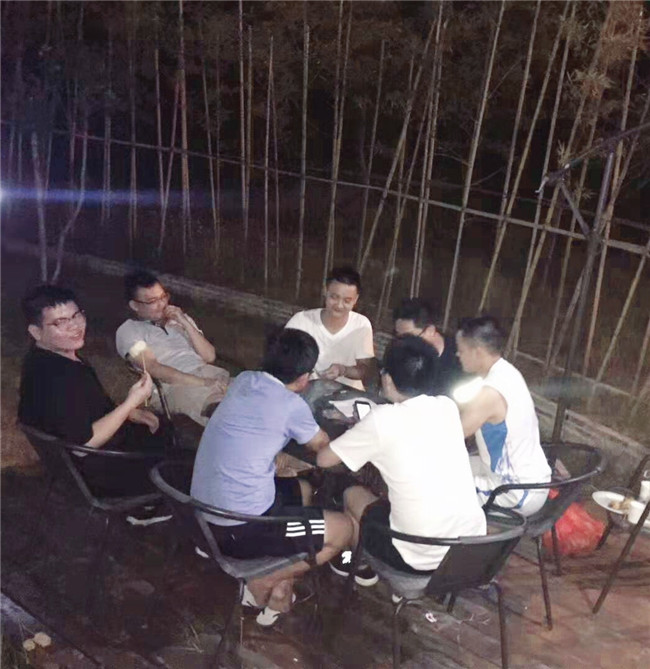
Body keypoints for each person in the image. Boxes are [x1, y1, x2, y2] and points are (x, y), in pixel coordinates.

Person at [191, 328, 354, 626]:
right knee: (344, 529)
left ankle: (282, 578)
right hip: (239, 529)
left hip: (203, 517)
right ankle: (263, 580)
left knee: (303, 489)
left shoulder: (244, 379)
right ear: (304, 378)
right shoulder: (292, 406)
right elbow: (322, 446)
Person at [315, 335, 486, 578]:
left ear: (386, 378)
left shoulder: (383, 419)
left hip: (418, 558)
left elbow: (324, 460)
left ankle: (355, 562)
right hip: (467, 552)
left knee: (351, 493)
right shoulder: (447, 407)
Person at [18, 285, 168, 499]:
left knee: (160, 426)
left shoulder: (41, 360)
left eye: (76, 315)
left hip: (80, 461)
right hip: (100, 470)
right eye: (60, 322)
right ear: (36, 332)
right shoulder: (61, 377)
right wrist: (130, 403)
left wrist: (129, 412)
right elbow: (81, 447)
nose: (75, 326)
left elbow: (83, 408)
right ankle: (146, 508)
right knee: (178, 459)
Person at [454, 316, 551, 516]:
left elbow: (452, 434)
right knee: (448, 465)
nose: (457, 354)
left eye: (461, 350)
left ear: (477, 352)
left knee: (436, 483)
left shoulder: (490, 393)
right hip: (532, 478)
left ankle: (452, 534)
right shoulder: (507, 372)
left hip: (515, 490)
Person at [115, 270, 230, 426]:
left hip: (210, 374)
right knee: (223, 409)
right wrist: (203, 382)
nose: (161, 304)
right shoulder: (129, 331)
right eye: (152, 301)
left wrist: (185, 322)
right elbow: (154, 368)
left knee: (253, 392)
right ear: (134, 305)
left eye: (163, 297)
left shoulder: (179, 320)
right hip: (174, 387)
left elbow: (209, 357)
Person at [285, 266, 374, 390]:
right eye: (334, 297)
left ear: (356, 300)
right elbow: (282, 359)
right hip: (306, 391)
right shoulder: (301, 321)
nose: (339, 305)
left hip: (347, 392)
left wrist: (342, 370)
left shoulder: (361, 325)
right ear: (325, 291)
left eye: (347, 301)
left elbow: (364, 370)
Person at [393, 297, 465, 398]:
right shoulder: (401, 355)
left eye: (410, 337)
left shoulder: (462, 360)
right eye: (400, 337)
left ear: (430, 331)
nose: (405, 343)